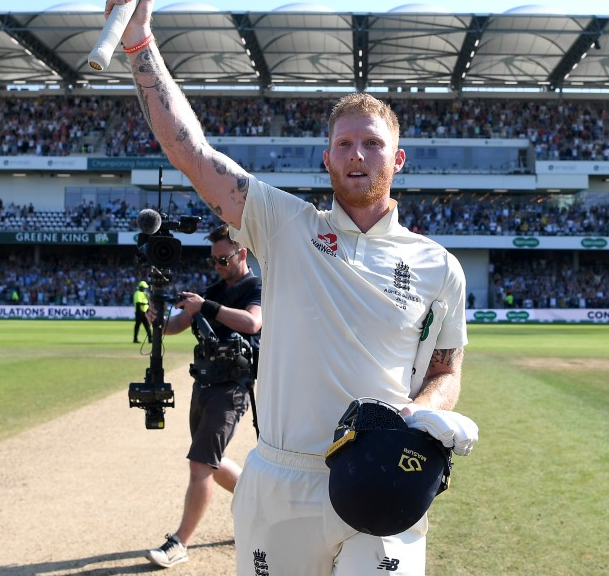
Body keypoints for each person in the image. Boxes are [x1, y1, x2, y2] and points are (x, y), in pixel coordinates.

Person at [109, 2, 479, 573]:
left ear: (398, 159)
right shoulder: (283, 225)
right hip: (281, 480)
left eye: (373, 144)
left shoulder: (438, 266)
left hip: (379, 474)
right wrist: (139, 44)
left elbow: (446, 370)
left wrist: (424, 412)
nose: (358, 154)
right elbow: (192, 153)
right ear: (325, 157)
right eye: (345, 144)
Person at [144, 224, 263, 569]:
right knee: (209, 458)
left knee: (200, 463)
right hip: (205, 382)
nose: (218, 266)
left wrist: (206, 306)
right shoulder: (214, 288)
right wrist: (157, 317)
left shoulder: (256, 287)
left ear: (242, 254)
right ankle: (257, 506)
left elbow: (253, 324)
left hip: (232, 386)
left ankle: (179, 543)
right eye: (213, 261)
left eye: (223, 259)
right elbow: (176, 326)